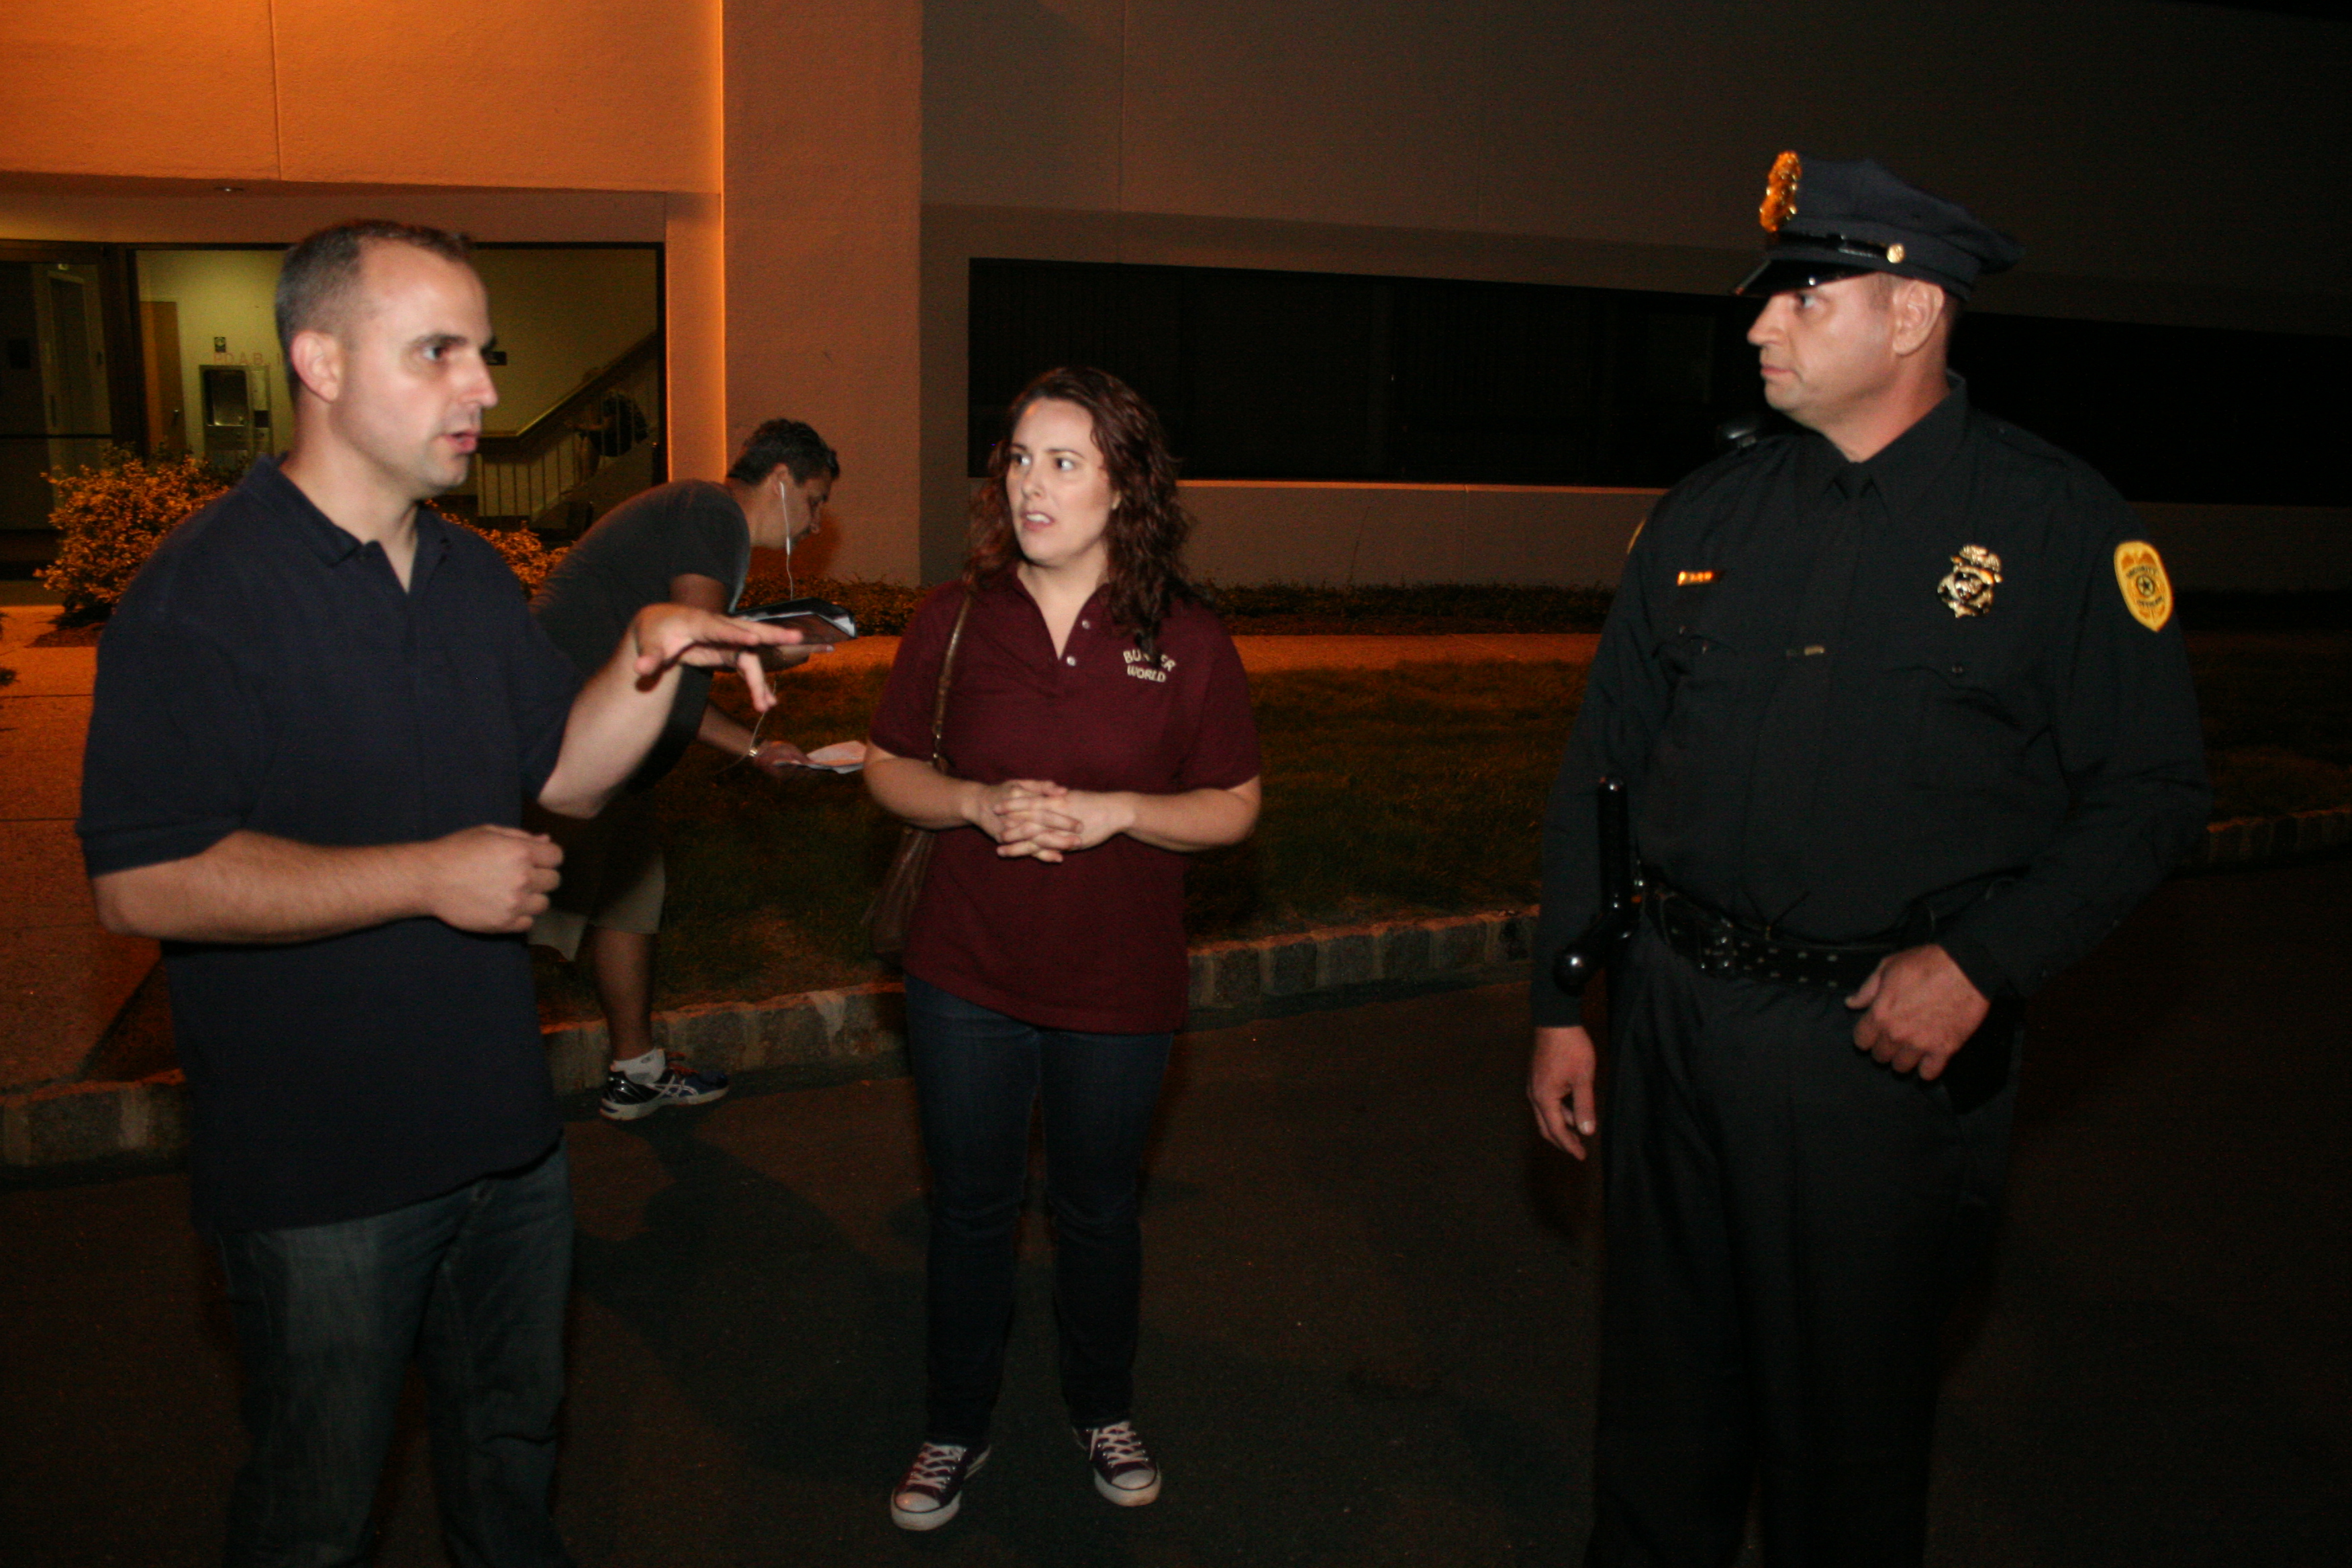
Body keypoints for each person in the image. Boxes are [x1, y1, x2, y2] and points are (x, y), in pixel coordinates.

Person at [75, 219, 798, 1567]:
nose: (484, 389)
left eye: (485, 351)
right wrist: (426, 876)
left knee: (510, 1462)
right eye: (439, 352)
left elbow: (567, 781)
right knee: (318, 1506)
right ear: (321, 361)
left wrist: (652, 656)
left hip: (506, 1143)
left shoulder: (470, 577)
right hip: (321, 1175)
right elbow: (143, 875)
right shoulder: (203, 595)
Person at [1526, 155, 2210, 1567]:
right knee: (1659, 1411)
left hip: (1871, 1057)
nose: (1762, 329)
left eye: (1802, 294)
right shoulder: (1705, 519)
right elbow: (1602, 769)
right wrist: (1562, 997)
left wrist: (1984, 965)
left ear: (1910, 315)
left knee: (1846, 1436)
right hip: (1675, 1026)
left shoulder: (2056, 527)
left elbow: (2148, 791)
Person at [863, 366, 1262, 1530]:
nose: (1030, 485)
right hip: (963, 969)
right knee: (970, 1209)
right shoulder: (950, 619)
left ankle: (1101, 1405)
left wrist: (1118, 812)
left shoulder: (1183, 636)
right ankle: (954, 1422)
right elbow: (889, 765)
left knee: (1096, 1210)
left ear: (1123, 486)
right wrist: (975, 804)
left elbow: (1234, 801)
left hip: (1115, 980)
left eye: (1063, 462)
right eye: (1019, 460)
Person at [527, 417, 838, 1120]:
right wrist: (792, 641)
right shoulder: (711, 512)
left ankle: (635, 1074)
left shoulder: (703, 526)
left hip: (608, 745)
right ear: (782, 477)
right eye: (815, 501)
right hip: (561, 744)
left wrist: (758, 751)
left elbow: (670, 679)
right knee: (514, 915)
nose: (815, 525)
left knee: (631, 898)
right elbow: (698, 642)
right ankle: (463, 1096)